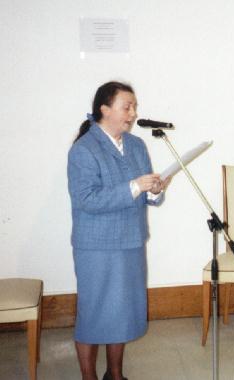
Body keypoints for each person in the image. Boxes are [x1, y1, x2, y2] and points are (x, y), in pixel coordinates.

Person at [67, 81, 170, 380]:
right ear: (104, 109)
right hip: (97, 246)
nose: (134, 113)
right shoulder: (84, 149)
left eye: (134, 107)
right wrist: (136, 185)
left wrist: (154, 190)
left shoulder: (136, 145)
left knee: (122, 313)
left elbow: (145, 193)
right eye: (127, 107)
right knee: (94, 314)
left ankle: (115, 374)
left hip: (131, 241)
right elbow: (86, 199)